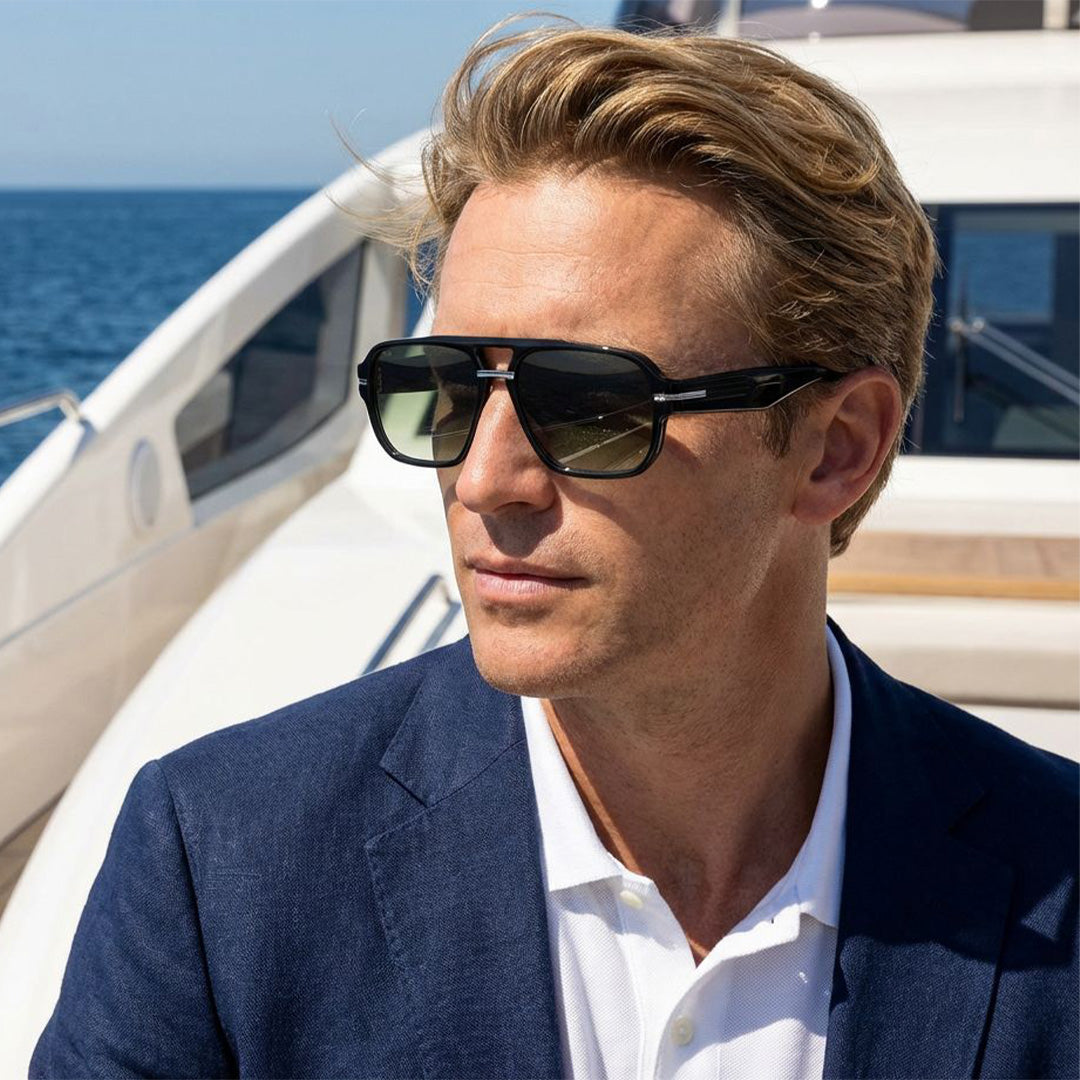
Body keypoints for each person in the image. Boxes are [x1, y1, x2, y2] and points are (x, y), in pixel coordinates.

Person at [32, 21, 1077, 1080]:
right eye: (445, 390)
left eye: (588, 404)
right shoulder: (221, 862)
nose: (484, 479)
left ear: (836, 449)